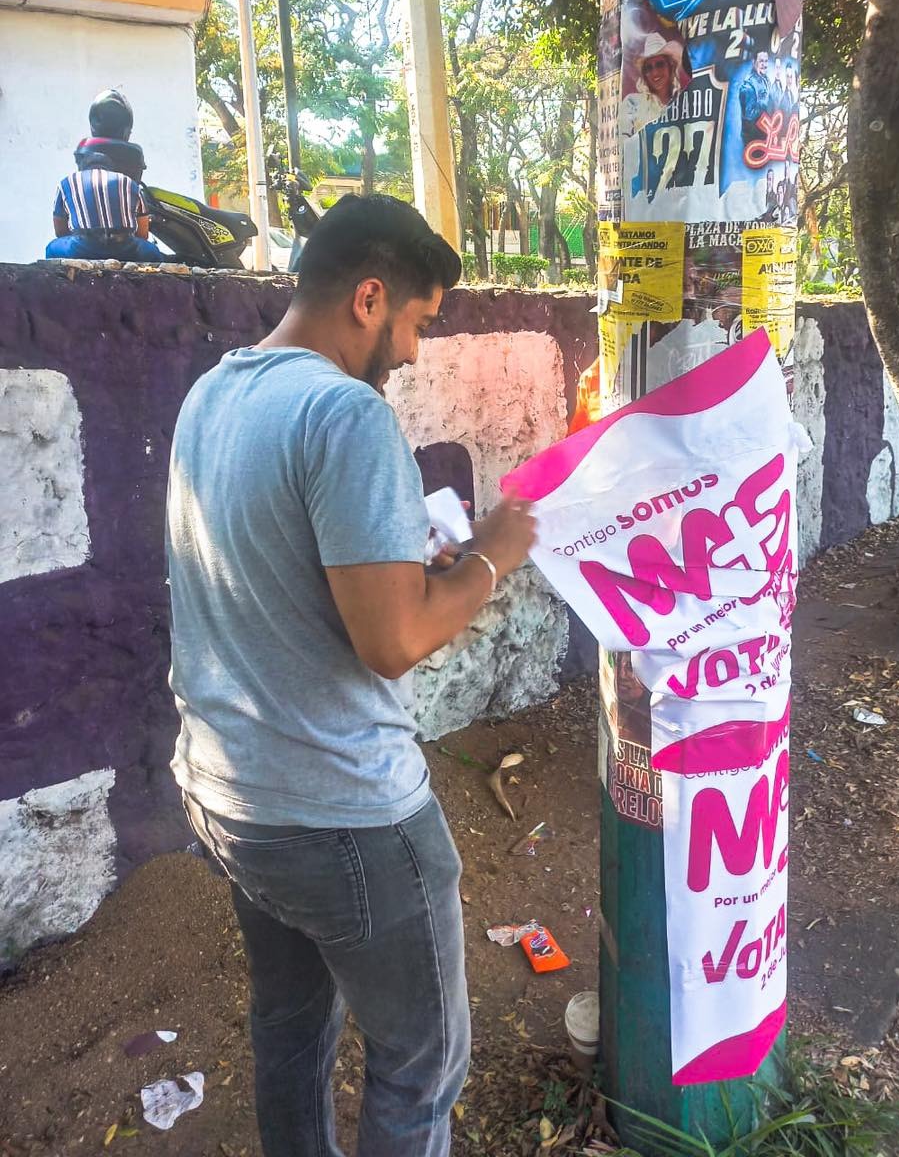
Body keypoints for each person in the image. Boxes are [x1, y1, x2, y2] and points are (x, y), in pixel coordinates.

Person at [166, 193, 537, 1157]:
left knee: (290, 1028)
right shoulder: (346, 413)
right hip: (346, 815)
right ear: (370, 298)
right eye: (418, 323)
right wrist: (493, 555)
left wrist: (418, 563)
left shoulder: (214, 394)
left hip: (233, 796)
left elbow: (294, 573)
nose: (413, 352)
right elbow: (394, 641)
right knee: (421, 1065)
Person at [46, 89, 162, 262]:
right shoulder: (130, 183)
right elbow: (143, 234)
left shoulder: (66, 183)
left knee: (51, 247)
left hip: (82, 247)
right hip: (125, 248)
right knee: (153, 252)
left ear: (82, 163)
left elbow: (60, 231)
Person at [619, 30, 683, 138]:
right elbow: (624, 142)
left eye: (660, 64)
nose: (655, 73)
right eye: (649, 68)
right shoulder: (632, 104)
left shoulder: (683, 101)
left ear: (670, 66)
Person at [739, 49, 772, 148]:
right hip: (753, 139)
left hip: (766, 136)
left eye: (766, 61)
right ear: (754, 62)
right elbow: (749, 114)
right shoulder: (748, 85)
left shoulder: (766, 80)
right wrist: (764, 104)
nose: (764, 64)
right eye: (761, 61)